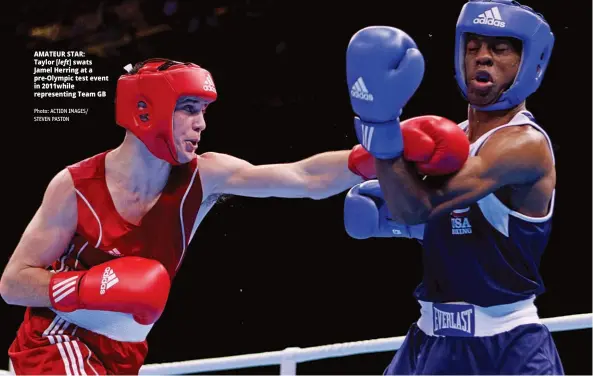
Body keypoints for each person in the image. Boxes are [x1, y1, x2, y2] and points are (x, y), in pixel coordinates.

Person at [0, 58, 379, 375]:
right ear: (145, 108)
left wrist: (373, 157)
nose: (201, 124)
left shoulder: (204, 176)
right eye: (189, 109)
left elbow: (305, 177)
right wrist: (83, 288)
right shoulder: (76, 185)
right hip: (57, 338)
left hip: (125, 352)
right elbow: (13, 283)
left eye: (203, 111)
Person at [344, 0, 564, 374]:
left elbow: (420, 208)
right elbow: (330, 170)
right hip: (429, 340)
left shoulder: (524, 145)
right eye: (473, 46)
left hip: (506, 349)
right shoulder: (448, 140)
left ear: (531, 63)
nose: (483, 58)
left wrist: (381, 128)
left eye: (500, 48)